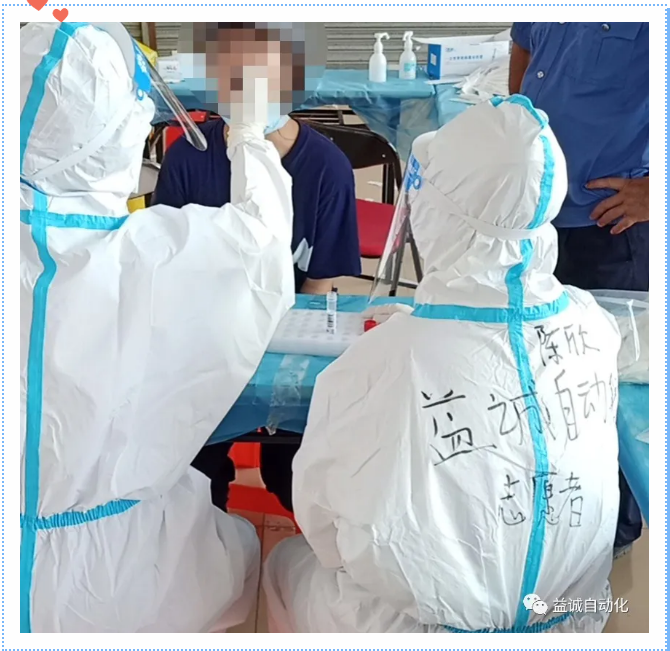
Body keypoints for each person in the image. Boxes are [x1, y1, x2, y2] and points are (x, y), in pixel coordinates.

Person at [263, 97, 622, 633]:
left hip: (416, 630)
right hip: (572, 620)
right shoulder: (594, 324)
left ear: (440, 214)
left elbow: (323, 520)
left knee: (284, 564)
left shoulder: (384, 360)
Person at [20, 22, 294, 632]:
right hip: (124, 577)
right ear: (121, 130)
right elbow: (263, 246)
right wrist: (249, 139)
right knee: (239, 560)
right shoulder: (154, 257)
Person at [152, 22, 361, 515]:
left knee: (294, 472)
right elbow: (166, 272)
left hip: (284, 336)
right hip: (199, 338)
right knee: (193, 472)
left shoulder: (326, 168)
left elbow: (318, 286)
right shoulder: (188, 158)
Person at [509, 22, 648, 555]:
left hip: (608, 226)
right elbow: (524, 45)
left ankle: (610, 536)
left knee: (610, 383)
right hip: (535, 217)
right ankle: (550, 516)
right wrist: (518, 134)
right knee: (539, 372)